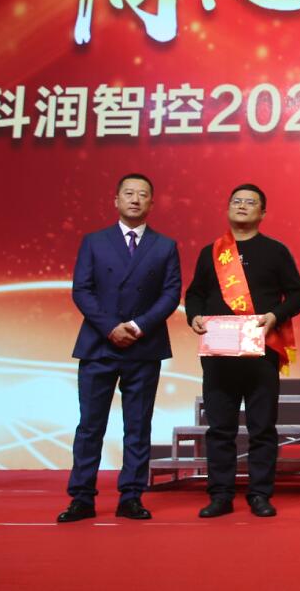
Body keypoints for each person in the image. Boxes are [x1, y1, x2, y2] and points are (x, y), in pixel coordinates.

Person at [59, 173, 181, 523]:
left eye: (142, 194)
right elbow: (82, 290)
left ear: (152, 203)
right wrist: (110, 327)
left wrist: (138, 327)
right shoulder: (94, 241)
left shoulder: (164, 245)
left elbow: (171, 293)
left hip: (144, 346)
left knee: (138, 426)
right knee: (90, 426)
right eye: (128, 193)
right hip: (99, 345)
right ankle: (82, 497)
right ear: (116, 200)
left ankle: (131, 496)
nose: (135, 199)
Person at [185, 183, 300, 518]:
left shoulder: (275, 251)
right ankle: (220, 495)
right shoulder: (211, 252)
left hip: (261, 352)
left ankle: (260, 494)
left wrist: (275, 316)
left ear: (262, 212)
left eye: (250, 202)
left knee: (262, 427)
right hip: (219, 354)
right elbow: (195, 293)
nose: (242, 206)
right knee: (220, 428)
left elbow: (298, 294)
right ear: (227, 208)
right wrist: (194, 316)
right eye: (236, 201)